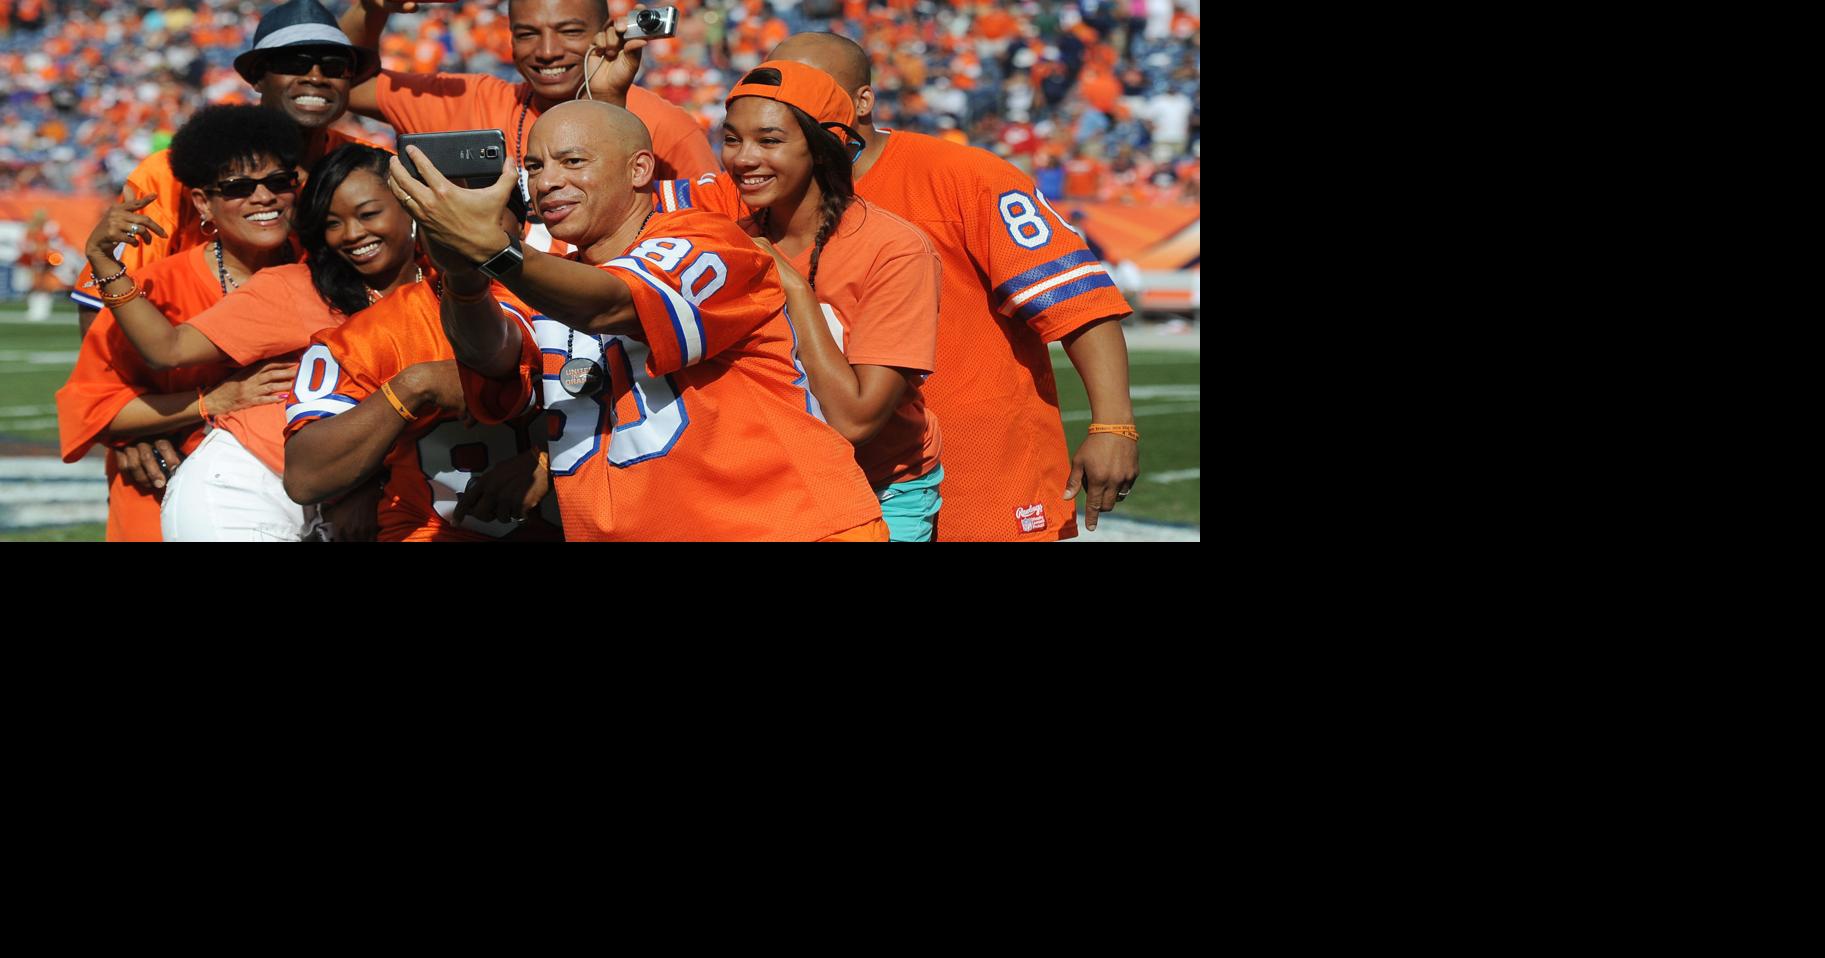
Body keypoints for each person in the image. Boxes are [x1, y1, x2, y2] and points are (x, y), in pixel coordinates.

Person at [390, 99, 885, 541]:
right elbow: (492, 355)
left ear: (639, 169)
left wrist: (491, 250)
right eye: (535, 167)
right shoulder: (549, 277)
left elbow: (610, 303)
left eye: (573, 161)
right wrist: (463, 278)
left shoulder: (710, 240)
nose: (547, 182)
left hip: (782, 526)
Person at [771, 33, 1141, 539]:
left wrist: (1113, 424)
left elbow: (1077, 301)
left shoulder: (962, 176)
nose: (791, 100)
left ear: (862, 101)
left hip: (982, 475)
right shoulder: (758, 194)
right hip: (829, 479)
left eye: (811, 86)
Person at [96, 125, 427, 540]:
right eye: (332, 223)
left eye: (368, 214)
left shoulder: (443, 284)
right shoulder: (296, 286)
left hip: (331, 495)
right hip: (243, 489)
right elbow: (168, 349)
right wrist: (105, 265)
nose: (353, 234)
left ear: (408, 205)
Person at [667, 62, 944, 541]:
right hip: (769, 491)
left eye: (770, 141)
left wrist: (793, 288)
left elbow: (854, 420)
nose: (743, 159)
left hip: (878, 490)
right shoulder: (730, 242)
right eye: (732, 139)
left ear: (823, 148)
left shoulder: (894, 248)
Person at [54, 106, 308, 541]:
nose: (263, 197)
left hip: (302, 494)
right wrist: (213, 401)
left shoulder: (324, 274)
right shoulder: (154, 288)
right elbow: (95, 409)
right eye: (238, 188)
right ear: (202, 203)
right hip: (164, 481)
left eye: (278, 182)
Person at [282, 151, 561, 542]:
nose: (464, 231)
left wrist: (549, 462)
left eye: (480, 212)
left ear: (520, 219)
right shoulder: (370, 333)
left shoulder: (585, 288)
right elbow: (305, 477)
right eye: (445, 218)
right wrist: (413, 387)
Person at [68, 0, 383, 333]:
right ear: (257, 77)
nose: (316, 77)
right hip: (198, 366)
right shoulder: (173, 173)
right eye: (294, 63)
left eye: (335, 67)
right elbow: (101, 310)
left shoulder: (372, 168)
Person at [340, 0, 717, 251]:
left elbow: (717, 237)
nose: (547, 50)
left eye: (570, 31)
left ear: (605, 30)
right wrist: (371, 8)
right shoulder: (472, 101)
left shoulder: (665, 127)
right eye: (527, 34)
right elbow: (343, 82)